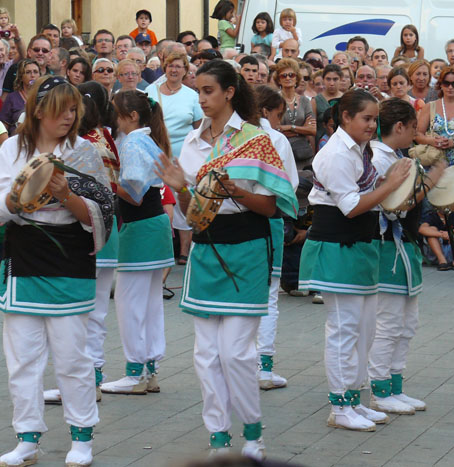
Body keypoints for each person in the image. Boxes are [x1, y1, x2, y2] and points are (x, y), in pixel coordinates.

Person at [154, 60, 297, 458]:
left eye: (208, 91)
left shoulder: (256, 139)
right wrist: (180, 188)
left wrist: (235, 191)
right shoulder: (193, 141)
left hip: (247, 247)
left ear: (230, 92)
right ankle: (218, 437)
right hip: (205, 248)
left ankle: (253, 434)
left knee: (236, 352)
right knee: (205, 354)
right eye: (198, 91)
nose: (200, 99)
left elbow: (272, 207)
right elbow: (189, 209)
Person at [0, 76, 113, 467]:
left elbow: (100, 215)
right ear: (39, 110)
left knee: (72, 357)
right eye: (63, 108)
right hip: (24, 255)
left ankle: (82, 439)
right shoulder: (13, 147)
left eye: (75, 109)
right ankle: (26, 439)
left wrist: (64, 195)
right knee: (23, 357)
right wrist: (24, 193)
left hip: (70, 260)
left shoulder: (85, 151)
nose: (70, 116)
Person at [298, 89, 412, 431]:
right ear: (345, 117)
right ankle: (339, 406)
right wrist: (391, 183)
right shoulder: (335, 154)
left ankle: (354, 400)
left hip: (360, 245)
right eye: (367, 118)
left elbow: (371, 198)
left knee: (364, 329)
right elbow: (351, 206)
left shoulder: (360, 150)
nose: (373, 125)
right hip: (336, 246)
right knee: (344, 329)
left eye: (375, 119)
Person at [45, 81, 121, 404]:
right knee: (97, 312)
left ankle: (85, 380)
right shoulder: (106, 139)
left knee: (81, 316)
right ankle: (94, 376)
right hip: (107, 229)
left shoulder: (83, 147)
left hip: (85, 228)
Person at [368, 98, 444, 415]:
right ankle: (379, 389)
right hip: (387, 248)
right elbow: (398, 205)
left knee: (406, 322)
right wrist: (433, 177)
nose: (416, 135)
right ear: (400, 127)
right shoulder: (379, 157)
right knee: (388, 323)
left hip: (403, 246)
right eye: (414, 128)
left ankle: (395, 387)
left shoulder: (396, 155)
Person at [99, 90, 174, 395]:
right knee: (151, 302)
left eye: (115, 113)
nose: (112, 119)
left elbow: (134, 192)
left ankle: (134, 373)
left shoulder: (132, 143)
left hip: (140, 225)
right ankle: (150, 369)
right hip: (155, 225)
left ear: (131, 117)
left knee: (130, 302)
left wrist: (105, 182)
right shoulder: (149, 140)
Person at [253, 84, 299, 390]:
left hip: (233, 224)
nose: (280, 120)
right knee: (268, 296)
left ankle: (241, 363)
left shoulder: (229, 135)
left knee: (242, 296)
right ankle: (263, 367)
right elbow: (290, 184)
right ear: (267, 112)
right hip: (268, 221)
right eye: (279, 114)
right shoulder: (276, 138)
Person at [146, 52, 203, 266]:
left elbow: (198, 127)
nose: (174, 70)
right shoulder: (150, 91)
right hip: (157, 152)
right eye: (170, 66)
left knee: (181, 199)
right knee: (160, 198)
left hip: (182, 154)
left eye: (178, 66)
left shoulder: (192, 96)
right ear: (164, 67)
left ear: (185, 70)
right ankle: (163, 246)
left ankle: (185, 248)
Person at [415, 67, 454, 166]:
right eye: (446, 83)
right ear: (440, 85)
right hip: (434, 161)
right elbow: (418, 134)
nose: (450, 87)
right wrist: (432, 141)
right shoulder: (430, 106)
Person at [276, 59, 315, 170]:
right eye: (283, 76)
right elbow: (275, 128)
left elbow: (312, 130)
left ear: (296, 78)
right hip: (281, 152)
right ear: (278, 80)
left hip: (302, 153)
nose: (288, 78)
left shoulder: (305, 101)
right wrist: (302, 130)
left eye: (291, 75)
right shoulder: (274, 100)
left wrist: (289, 127)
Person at [0, 58, 39, 135]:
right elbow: (3, 125)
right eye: (28, 72)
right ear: (21, 76)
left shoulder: (44, 97)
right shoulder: (12, 98)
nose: (32, 75)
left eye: (35, 72)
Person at [313, 64, 344, 146]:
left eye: (335, 79)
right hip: (321, 143)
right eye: (328, 79)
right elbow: (312, 128)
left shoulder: (346, 99)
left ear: (341, 79)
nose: (332, 83)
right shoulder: (315, 101)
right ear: (323, 80)